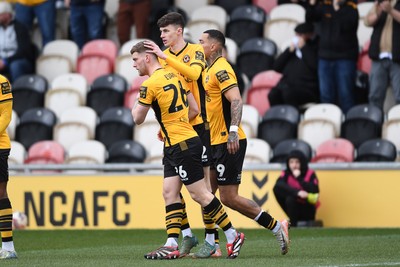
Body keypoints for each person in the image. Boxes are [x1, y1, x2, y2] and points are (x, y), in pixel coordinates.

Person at [130, 41, 245, 260]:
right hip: (180, 142)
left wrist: (138, 101)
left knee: (199, 194)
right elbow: (194, 109)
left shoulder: (149, 85)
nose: (133, 65)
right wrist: (176, 123)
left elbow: (137, 118)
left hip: (182, 145)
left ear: (147, 58)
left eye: (135, 59)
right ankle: (172, 241)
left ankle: (233, 235)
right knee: (169, 191)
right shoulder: (175, 77)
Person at [199, 29, 290, 256]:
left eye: (201, 42)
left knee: (228, 198)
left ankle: (277, 226)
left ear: (213, 47)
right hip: (211, 141)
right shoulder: (206, 70)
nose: (197, 45)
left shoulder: (222, 68)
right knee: (205, 193)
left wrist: (232, 132)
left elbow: (236, 100)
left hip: (227, 141)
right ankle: (212, 244)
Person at [143, 12, 219, 257]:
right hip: (177, 128)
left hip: (200, 126)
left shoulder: (195, 50)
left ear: (179, 31)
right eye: (161, 32)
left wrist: (165, 57)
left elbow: (195, 75)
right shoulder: (164, 61)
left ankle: (213, 242)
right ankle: (186, 235)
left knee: (203, 190)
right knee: (172, 189)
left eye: (166, 31)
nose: (162, 36)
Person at [306, 0, 359, 113]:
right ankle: (328, 123)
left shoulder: (352, 8)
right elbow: (309, 18)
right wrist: (311, 4)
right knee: (326, 96)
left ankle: (348, 126)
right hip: (324, 58)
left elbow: (346, 25)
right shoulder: (325, 5)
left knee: (346, 96)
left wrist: (336, 8)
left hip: (345, 58)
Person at [268, 22, 320, 109]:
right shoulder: (292, 52)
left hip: (307, 89)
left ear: (309, 35)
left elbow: (315, 66)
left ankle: (292, 118)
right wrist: (289, 51)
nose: (297, 37)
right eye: (296, 35)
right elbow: (276, 67)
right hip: (287, 86)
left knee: (289, 93)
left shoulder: (315, 48)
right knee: (273, 94)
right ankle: (278, 118)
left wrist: (304, 48)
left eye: (300, 35)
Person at [364, 0, 400, 109]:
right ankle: (375, 124)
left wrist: (390, 11)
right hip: (378, 58)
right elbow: (367, 22)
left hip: (398, 59)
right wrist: (378, 12)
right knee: (375, 97)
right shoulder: (379, 2)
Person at [273, 150, 320, 227]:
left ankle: (294, 224)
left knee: (291, 199)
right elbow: (278, 186)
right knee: (289, 198)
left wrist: (299, 179)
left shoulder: (310, 173)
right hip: (292, 207)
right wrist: (297, 193)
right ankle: (293, 225)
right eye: (291, 162)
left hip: (308, 209)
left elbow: (315, 190)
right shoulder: (286, 173)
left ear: (302, 162)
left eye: (297, 162)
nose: (294, 165)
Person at [0, 74, 17, 260]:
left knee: (0, 193)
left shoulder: (1, 82)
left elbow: (6, 114)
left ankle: (8, 247)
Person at [0, 2, 35, 83]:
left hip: (18, 60)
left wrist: (6, 61)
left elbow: (23, 51)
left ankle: (17, 91)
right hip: (2, 59)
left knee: (15, 66)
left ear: (7, 14)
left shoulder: (20, 28)